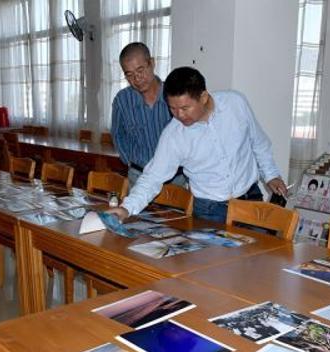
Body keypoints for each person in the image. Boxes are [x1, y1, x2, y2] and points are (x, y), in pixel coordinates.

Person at [108, 66, 288, 223]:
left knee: (256, 259)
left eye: (185, 108)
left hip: (250, 200)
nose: (179, 115)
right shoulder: (174, 135)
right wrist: (126, 209)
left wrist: (271, 174)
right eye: (172, 108)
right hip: (210, 211)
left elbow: (258, 142)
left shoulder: (235, 103)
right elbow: (153, 177)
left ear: (203, 97)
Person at [110, 42, 172, 185]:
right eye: (129, 75)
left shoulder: (173, 95)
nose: (137, 79)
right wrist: (129, 160)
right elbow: (118, 134)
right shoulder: (122, 100)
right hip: (139, 176)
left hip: (174, 178)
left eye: (140, 70)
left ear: (152, 63)